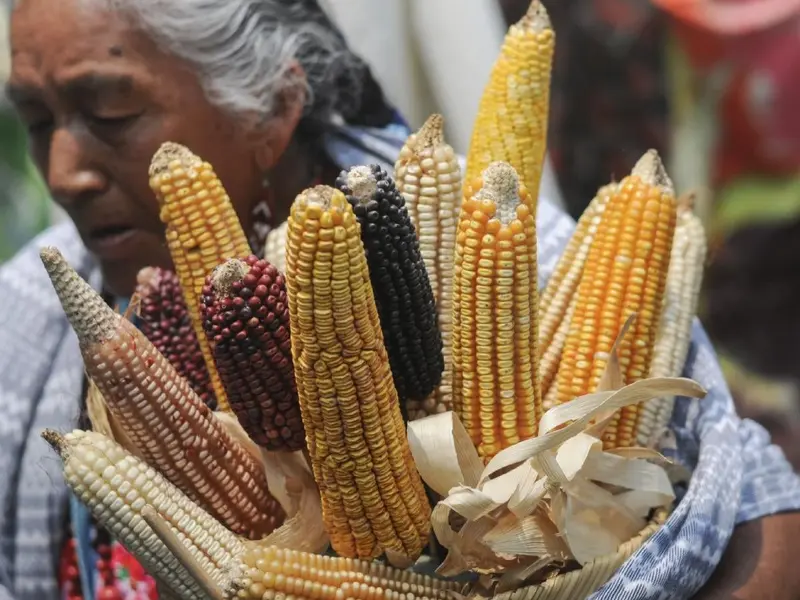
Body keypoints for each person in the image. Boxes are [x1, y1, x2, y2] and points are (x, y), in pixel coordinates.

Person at [0, 1, 798, 599]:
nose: (63, 170)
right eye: (36, 123)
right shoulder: (37, 318)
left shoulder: (512, 254)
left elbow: (759, 497)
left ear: (274, 110)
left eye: (110, 114)